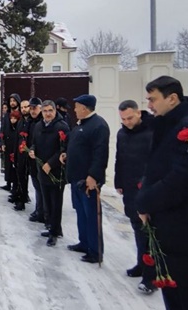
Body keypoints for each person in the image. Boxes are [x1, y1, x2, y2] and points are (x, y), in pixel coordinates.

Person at [135, 76, 188, 309]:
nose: (149, 105)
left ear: (172, 98)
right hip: (168, 230)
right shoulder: (167, 124)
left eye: (153, 99)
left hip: (187, 233)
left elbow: (184, 179)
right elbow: (156, 167)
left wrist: (145, 201)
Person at [113, 100, 156, 294]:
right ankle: (141, 264)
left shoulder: (153, 131)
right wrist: (118, 182)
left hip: (149, 190)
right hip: (130, 189)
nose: (127, 122)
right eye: (123, 119)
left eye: (130, 117)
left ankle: (152, 276)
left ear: (139, 113)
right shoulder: (122, 133)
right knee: (138, 229)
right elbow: (119, 159)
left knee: (150, 233)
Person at [61, 94, 109, 263]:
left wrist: (93, 176)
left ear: (84, 107)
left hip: (88, 180)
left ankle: (96, 251)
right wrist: (67, 154)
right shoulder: (81, 125)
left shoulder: (98, 125)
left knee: (91, 215)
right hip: (76, 179)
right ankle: (84, 242)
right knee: (81, 213)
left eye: (76, 106)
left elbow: (100, 154)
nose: (74, 110)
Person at [30, 100, 69, 246]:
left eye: (50, 111)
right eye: (45, 111)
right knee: (47, 202)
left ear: (54, 111)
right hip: (42, 170)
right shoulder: (39, 126)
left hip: (56, 172)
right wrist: (33, 150)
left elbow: (63, 149)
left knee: (56, 203)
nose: (47, 113)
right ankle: (54, 228)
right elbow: (34, 142)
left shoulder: (62, 127)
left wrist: (51, 163)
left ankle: (54, 233)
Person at [11, 99, 32, 210]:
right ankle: (21, 199)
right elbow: (17, 139)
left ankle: (25, 197)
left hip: (30, 155)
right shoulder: (20, 121)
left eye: (26, 107)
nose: (24, 109)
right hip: (20, 155)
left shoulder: (33, 122)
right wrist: (15, 154)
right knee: (21, 178)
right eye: (22, 107)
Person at [26, 98, 44, 223]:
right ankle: (39, 210)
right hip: (32, 159)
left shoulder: (43, 122)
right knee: (37, 187)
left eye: (35, 108)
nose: (32, 111)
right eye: (31, 108)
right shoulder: (29, 122)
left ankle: (43, 212)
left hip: (41, 161)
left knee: (42, 188)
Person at [0, 93, 21, 189]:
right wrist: (1, 142)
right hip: (7, 144)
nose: (12, 103)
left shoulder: (21, 114)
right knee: (8, 165)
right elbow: (2, 129)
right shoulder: (6, 115)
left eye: (14, 101)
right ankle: (8, 184)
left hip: (17, 144)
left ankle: (17, 187)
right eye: (11, 101)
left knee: (16, 166)